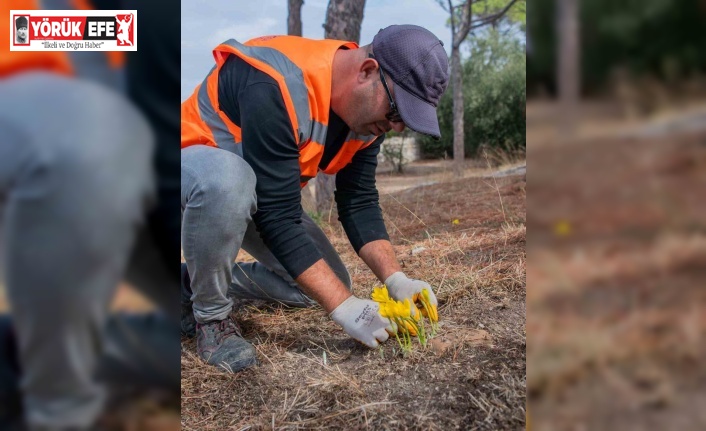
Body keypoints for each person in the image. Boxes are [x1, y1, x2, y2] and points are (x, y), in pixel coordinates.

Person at [181, 24, 448, 371]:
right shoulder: (274, 81)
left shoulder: (367, 119)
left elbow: (360, 200)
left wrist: (396, 278)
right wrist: (344, 306)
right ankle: (212, 320)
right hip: (189, 173)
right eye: (397, 111)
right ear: (367, 72)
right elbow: (277, 215)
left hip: (251, 195)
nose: (397, 126)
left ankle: (189, 281)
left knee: (321, 284)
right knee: (229, 179)